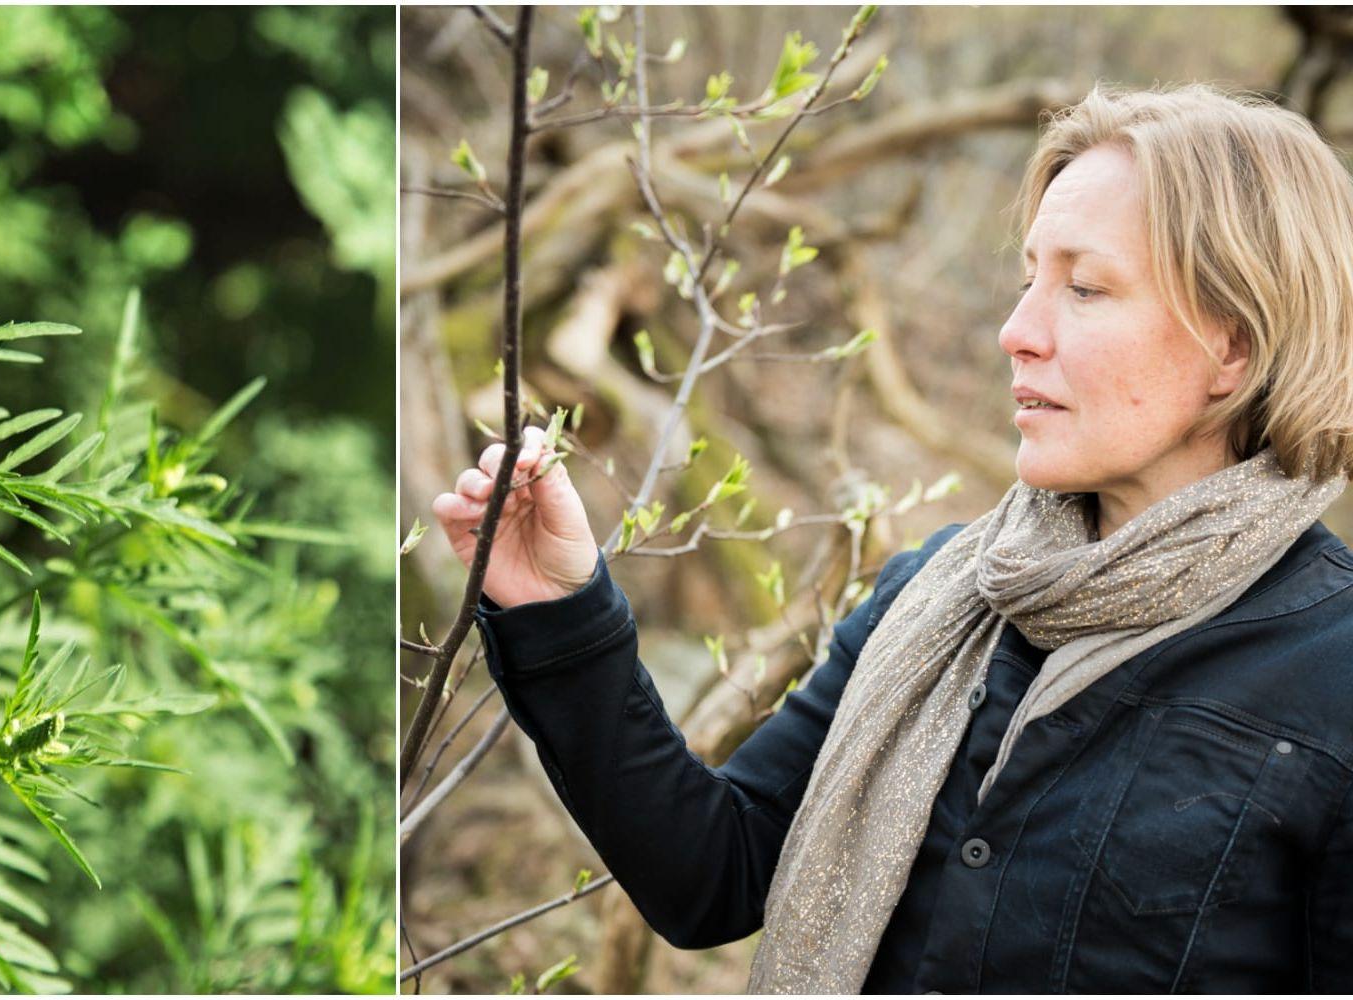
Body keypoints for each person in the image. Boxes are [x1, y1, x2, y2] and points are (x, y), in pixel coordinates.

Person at [430, 84, 1353, 993]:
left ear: (1234, 345)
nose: (1016, 332)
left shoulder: (1334, 672)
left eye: (1084, 286)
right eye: (1028, 278)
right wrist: (559, 606)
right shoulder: (937, 594)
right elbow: (715, 873)